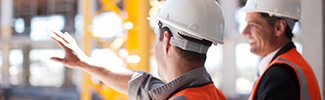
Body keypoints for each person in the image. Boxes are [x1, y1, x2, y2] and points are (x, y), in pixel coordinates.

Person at [50, 0, 227, 99]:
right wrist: (85, 63)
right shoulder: (209, 93)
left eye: (155, 37)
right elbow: (139, 83)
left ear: (166, 40)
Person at [240, 0, 321, 99]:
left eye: (253, 25)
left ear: (278, 28)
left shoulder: (280, 75)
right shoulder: (293, 65)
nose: (244, 32)